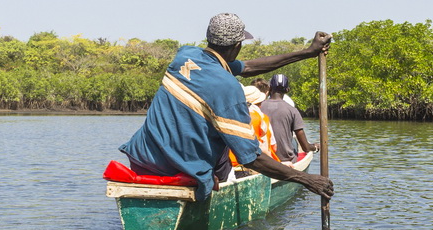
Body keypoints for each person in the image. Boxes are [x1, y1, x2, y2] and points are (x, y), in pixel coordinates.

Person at [120, 13, 333, 201]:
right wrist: (306, 179)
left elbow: (248, 67)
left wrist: (307, 52)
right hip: (181, 169)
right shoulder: (229, 88)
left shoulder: (185, 56)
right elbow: (251, 158)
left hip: (142, 158)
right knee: (225, 145)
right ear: (237, 46)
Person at [261, 73, 315, 163]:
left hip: (263, 159)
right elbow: (305, 147)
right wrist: (314, 147)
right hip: (286, 160)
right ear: (287, 90)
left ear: (269, 88)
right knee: (294, 142)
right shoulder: (292, 110)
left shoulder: (258, 107)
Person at [229, 84, 278, 166]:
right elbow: (267, 147)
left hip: (232, 164)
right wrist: (276, 165)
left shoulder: (229, 116)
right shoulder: (261, 117)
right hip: (255, 164)